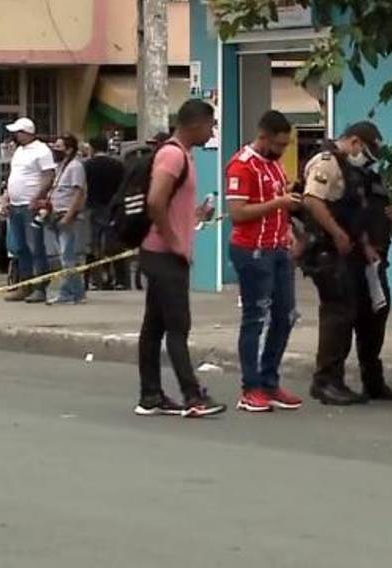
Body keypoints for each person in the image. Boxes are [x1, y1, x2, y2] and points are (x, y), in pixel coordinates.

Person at [301, 121, 392, 406]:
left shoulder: (353, 171)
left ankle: (366, 379)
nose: (367, 160)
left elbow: (355, 213)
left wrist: (366, 245)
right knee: (338, 316)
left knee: (364, 314)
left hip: (353, 253)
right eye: (367, 153)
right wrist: (336, 233)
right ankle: (326, 381)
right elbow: (312, 200)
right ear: (355, 142)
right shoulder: (327, 162)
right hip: (328, 252)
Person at [136, 99, 225, 418]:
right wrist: (175, 242)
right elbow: (155, 201)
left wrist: (195, 215)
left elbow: (170, 205)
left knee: (155, 325)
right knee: (177, 326)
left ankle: (150, 395)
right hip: (164, 255)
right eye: (211, 125)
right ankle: (193, 396)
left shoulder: (182, 156)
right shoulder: (173, 154)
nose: (212, 131)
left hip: (162, 253)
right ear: (196, 124)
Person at [226, 110, 306, 413]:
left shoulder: (273, 166)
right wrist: (279, 203)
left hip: (278, 249)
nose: (283, 151)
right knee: (254, 318)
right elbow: (238, 213)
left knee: (285, 316)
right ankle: (250, 388)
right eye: (280, 145)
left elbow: (279, 206)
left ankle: (270, 381)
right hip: (252, 251)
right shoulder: (241, 166)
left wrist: (287, 230)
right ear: (264, 137)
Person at [1, 117, 55, 303]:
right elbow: (13, 176)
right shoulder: (19, 151)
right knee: (20, 247)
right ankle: (26, 284)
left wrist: (38, 196)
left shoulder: (41, 150)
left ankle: (40, 287)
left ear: (27, 133)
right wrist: (7, 196)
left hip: (30, 205)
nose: (15, 135)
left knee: (35, 247)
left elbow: (49, 176)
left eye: (18, 132)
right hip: (16, 205)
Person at [44, 134, 87, 305]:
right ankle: (77, 293)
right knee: (66, 257)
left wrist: (69, 215)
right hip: (56, 214)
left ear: (69, 149)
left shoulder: (75, 167)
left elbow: (78, 193)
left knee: (67, 257)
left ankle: (67, 293)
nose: (55, 150)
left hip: (66, 216)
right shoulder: (61, 166)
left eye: (59, 147)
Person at [84, 136, 129, 290]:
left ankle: (95, 280)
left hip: (93, 207)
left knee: (93, 244)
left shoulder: (87, 166)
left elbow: (83, 188)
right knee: (115, 244)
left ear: (93, 148)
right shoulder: (118, 165)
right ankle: (120, 280)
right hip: (114, 207)